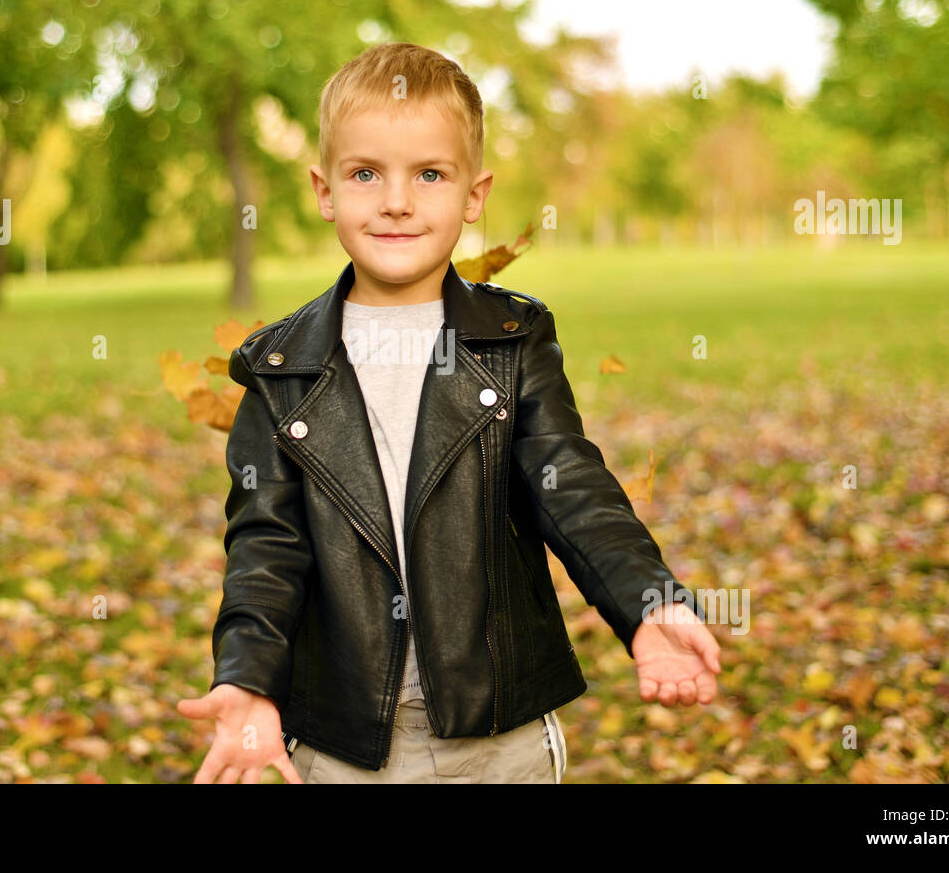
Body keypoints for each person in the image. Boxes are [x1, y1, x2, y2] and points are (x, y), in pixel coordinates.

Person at [177, 42, 720, 783]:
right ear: (325, 189)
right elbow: (265, 550)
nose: (396, 200)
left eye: (429, 174)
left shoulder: (511, 342)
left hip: (499, 732)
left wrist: (647, 601)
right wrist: (246, 678)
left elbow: (575, 490)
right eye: (366, 173)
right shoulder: (279, 370)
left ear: (474, 195)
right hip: (339, 735)